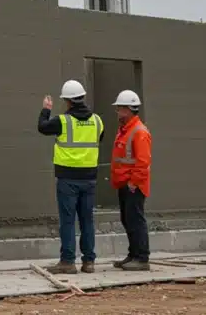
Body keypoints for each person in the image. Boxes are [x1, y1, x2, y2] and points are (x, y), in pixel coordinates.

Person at [37, 79, 104, 274]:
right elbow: (98, 138)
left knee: (68, 221)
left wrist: (45, 110)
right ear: (82, 97)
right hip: (90, 178)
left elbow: (42, 127)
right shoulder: (97, 120)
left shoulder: (62, 121)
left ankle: (67, 261)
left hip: (67, 179)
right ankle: (89, 261)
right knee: (87, 220)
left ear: (67, 101)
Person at [111, 89, 152, 271]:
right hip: (125, 183)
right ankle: (133, 254)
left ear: (128, 109)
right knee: (128, 219)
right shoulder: (125, 131)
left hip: (134, 185)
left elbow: (143, 162)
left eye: (119, 109)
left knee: (135, 220)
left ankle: (142, 258)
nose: (118, 113)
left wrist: (133, 182)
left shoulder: (138, 132)